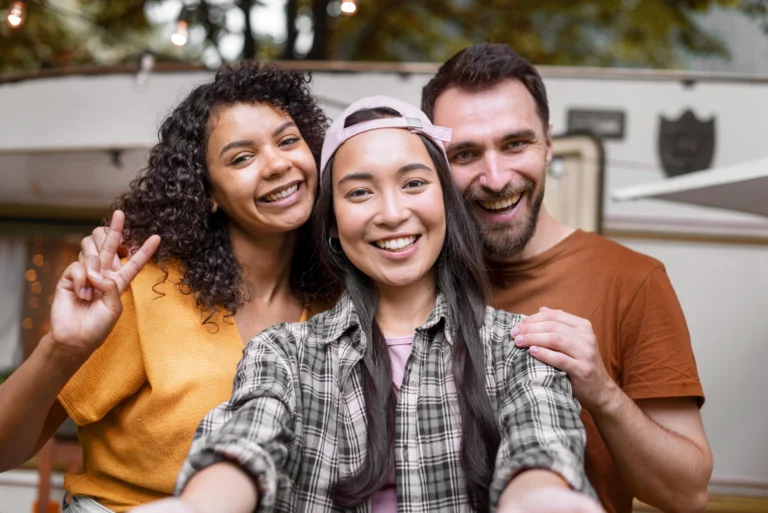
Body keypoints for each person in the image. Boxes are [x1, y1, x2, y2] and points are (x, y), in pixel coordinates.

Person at [129, 96, 600, 513]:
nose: (392, 213)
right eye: (359, 192)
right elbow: (245, 442)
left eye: (414, 183)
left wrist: (541, 497)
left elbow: (541, 447)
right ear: (331, 221)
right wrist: (198, 505)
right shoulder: (285, 352)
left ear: (445, 202)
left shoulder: (519, 349)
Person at [0, 62, 336, 512]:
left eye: (288, 140)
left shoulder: (337, 300)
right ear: (209, 193)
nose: (277, 164)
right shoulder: (144, 289)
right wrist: (61, 347)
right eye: (241, 157)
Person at [421, 43, 713, 513]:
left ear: (549, 143)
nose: (496, 178)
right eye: (466, 154)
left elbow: (686, 495)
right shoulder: (409, 278)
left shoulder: (632, 280)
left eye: (516, 144)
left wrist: (604, 394)